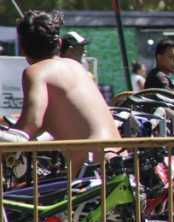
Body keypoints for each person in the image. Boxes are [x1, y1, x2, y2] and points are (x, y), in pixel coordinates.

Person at [1, 11, 120, 167]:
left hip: (94, 175)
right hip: (120, 164)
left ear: (23, 49)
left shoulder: (36, 72)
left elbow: (27, 128)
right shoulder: (76, 67)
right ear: (59, 43)